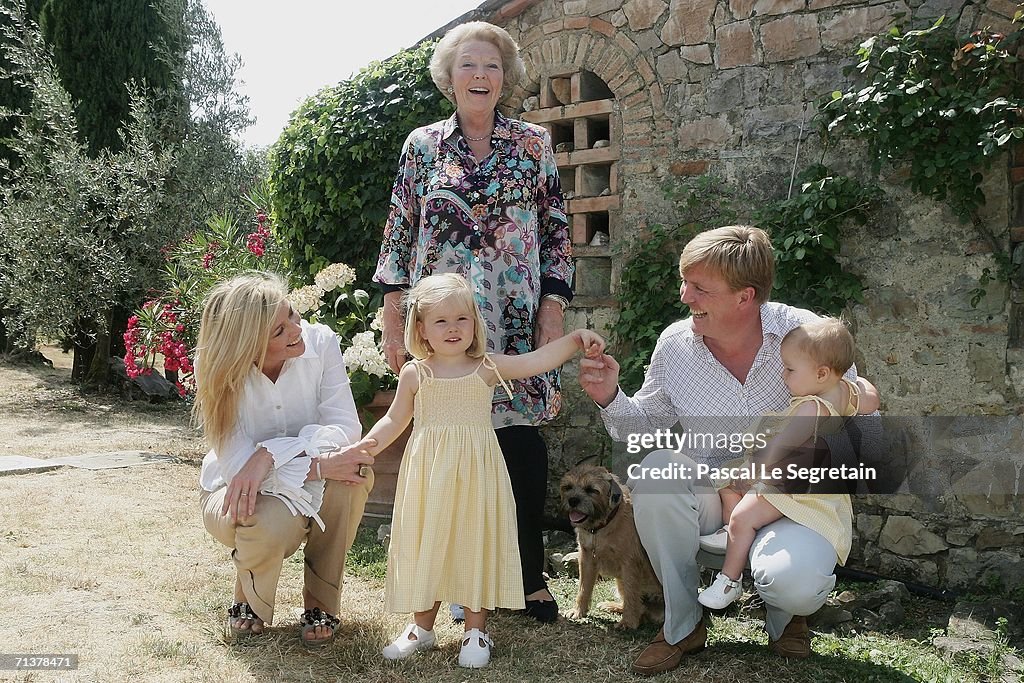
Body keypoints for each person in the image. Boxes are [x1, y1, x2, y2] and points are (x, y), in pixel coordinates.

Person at [579, 226, 881, 675]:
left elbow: (864, 429)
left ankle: (788, 616)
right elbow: (640, 426)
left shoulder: (805, 334)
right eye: (684, 282)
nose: (685, 296)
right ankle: (683, 626)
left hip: (790, 498)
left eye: (700, 288)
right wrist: (608, 395)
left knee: (794, 583)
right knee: (654, 472)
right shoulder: (674, 345)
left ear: (746, 296)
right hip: (712, 494)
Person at [373, 20, 573, 623]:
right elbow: (399, 231)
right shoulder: (422, 146)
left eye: (490, 65)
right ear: (449, 78)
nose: (480, 75)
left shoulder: (534, 144)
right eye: (468, 65)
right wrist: (391, 314)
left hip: (515, 313)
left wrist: (553, 310)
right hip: (444, 320)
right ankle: (456, 580)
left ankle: (528, 577)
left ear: (505, 77)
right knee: (452, 447)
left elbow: (557, 232)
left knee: (519, 441)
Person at [340, 274, 602, 668]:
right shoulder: (416, 374)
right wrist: (366, 446)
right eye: (441, 321)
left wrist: (575, 339)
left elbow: (536, 361)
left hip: (477, 476)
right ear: (421, 330)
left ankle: (476, 631)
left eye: (462, 319)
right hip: (429, 476)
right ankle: (421, 628)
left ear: (475, 324)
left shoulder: (487, 367)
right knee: (429, 541)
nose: (452, 329)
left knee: (473, 542)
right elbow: (393, 421)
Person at [195, 272, 375, 647]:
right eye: (279, 330)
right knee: (259, 513)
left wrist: (270, 453)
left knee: (353, 472)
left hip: (301, 480)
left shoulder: (321, 342)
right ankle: (251, 598)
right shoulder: (217, 369)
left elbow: (343, 428)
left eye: (292, 314)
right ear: (247, 345)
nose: (297, 329)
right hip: (233, 493)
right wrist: (315, 465)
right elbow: (241, 470)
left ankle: (321, 603)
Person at [699, 318, 880, 609]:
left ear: (821, 373)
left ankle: (728, 580)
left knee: (741, 515)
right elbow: (872, 400)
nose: (783, 375)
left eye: (790, 369)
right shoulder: (840, 393)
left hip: (787, 482)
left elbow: (782, 446)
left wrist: (755, 470)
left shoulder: (810, 408)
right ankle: (734, 535)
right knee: (728, 484)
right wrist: (854, 385)